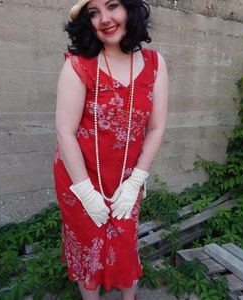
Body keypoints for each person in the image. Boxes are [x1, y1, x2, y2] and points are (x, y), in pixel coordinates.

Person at [53, 0, 168, 299]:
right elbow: (65, 132)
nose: (104, 19)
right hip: (79, 177)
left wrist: (136, 181)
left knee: (125, 243)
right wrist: (86, 193)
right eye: (93, 13)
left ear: (130, 9)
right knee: (87, 244)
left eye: (113, 6)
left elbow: (155, 128)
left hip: (128, 177)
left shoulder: (156, 64)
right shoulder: (78, 64)